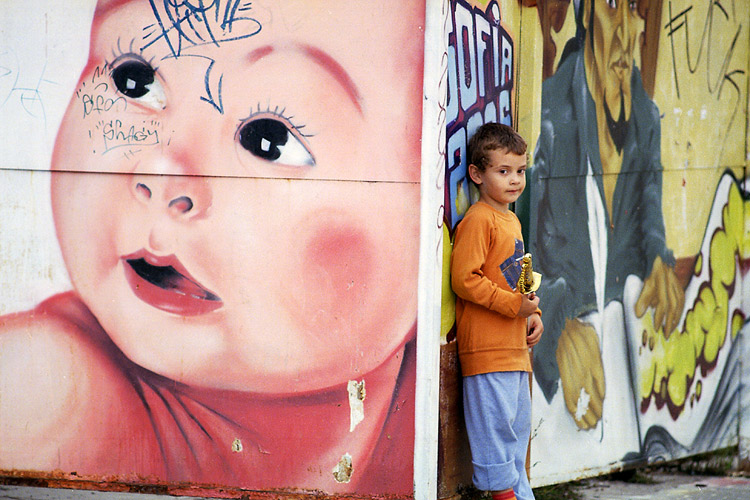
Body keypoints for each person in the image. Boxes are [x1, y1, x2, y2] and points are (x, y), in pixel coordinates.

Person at [0, 0, 425, 495]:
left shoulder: (441, 398)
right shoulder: (49, 398)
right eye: (135, 81)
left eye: (269, 140)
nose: (161, 173)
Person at [517, 0, 684, 432]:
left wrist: (657, 256)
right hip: (549, 397)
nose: (628, 31)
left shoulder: (644, 116)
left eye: (635, 8)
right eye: (613, 5)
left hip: (622, 392)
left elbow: (649, 193)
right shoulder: (548, 117)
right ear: (585, 11)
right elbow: (518, 245)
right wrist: (558, 326)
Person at [451, 123, 544, 500]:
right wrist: (513, 307)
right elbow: (464, 279)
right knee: (495, 443)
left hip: (514, 351)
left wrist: (532, 311)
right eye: (502, 171)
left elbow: (519, 272)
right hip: (487, 352)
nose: (514, 180)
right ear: (477, 174)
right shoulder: (478, 219)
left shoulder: (511, 218)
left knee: (515, 440)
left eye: (520, 170)